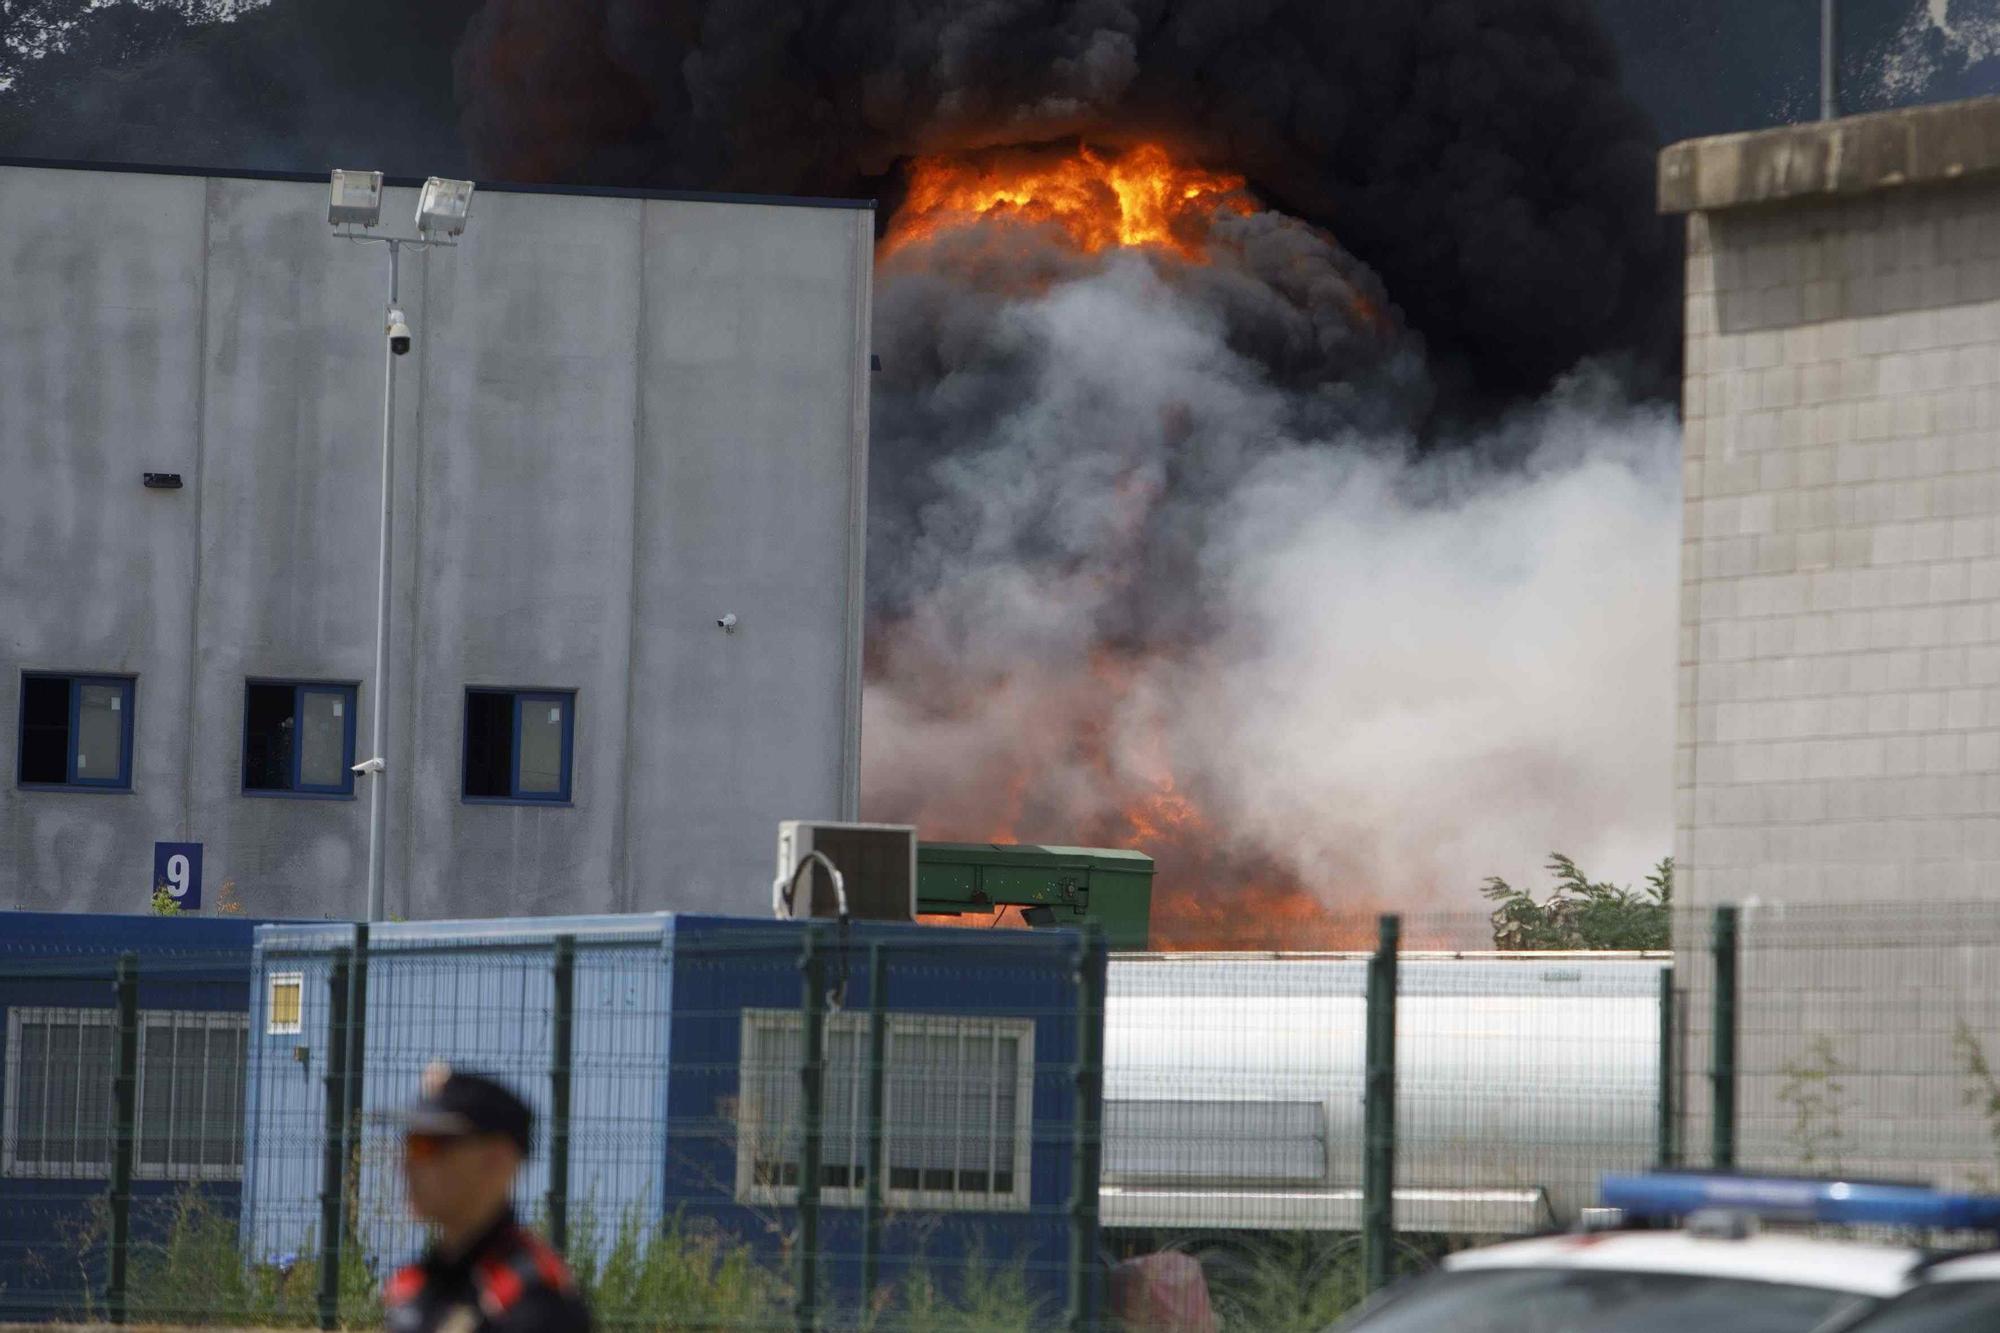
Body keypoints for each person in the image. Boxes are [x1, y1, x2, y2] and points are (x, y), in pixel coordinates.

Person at [383, 1063, 591, 1333]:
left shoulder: (534, 1304)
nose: (408, 1164)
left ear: (497, 1161)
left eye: (429, 1146)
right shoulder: (415, 1286)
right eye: (410, 1144)